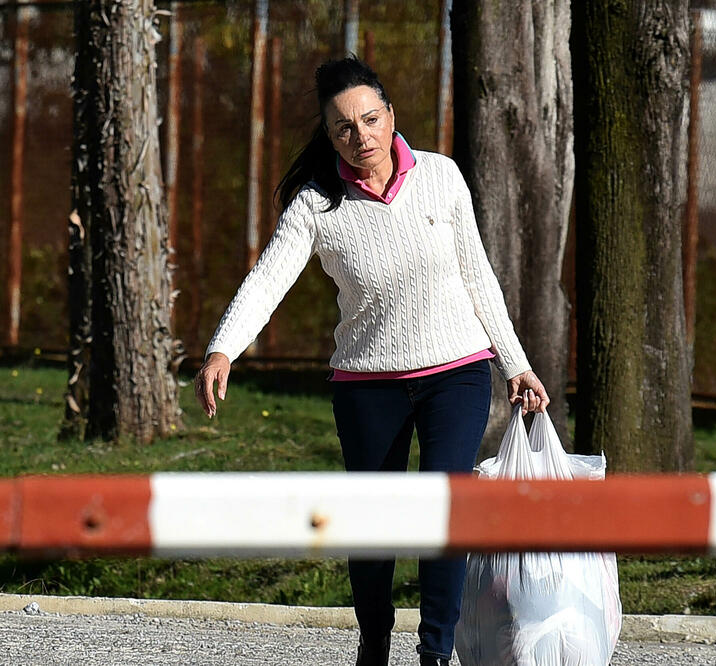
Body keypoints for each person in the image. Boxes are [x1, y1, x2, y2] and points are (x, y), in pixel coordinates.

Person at [194, 56, 549, 666]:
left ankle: (436, 650)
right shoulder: (317, 204)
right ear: (330, 138)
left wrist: (514, 362)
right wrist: (223, 347)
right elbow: (268, 280)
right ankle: (375, 642)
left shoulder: (441, 176)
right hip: (367, 381)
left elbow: (477, 274)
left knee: (447, 505)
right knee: (375, 518)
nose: (363, 137)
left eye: (371, 119)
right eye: (345, 129)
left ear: (391, 115)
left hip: (456, 371)